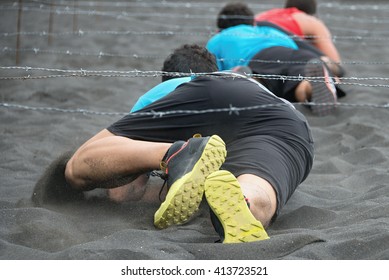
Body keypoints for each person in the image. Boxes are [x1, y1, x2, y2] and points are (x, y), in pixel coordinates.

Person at [206, 2, 343, 116]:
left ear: (219, 29)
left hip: (257, 60)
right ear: (253, 23)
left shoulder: (218, 39)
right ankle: (310, 87)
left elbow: (212, 70)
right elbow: (292, 44)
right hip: (293, 54)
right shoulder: (268, 30)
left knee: (261, 84)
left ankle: (252, 81)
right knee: (298, 80)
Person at [255, 0, 343, 74]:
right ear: (312, 12)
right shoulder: (309, 20)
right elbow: (334, 61)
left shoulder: (264, 15)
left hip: (250, 54)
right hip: (279, 56)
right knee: (331, 69)